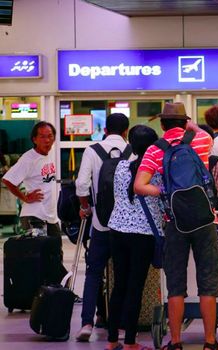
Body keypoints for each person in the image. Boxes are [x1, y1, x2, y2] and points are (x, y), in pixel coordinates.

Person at [134, 102, 218, 350]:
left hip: (174, 221)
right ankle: (210, 342)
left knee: (175, 283)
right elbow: (199, 130)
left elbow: (139, 186)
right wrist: (190, 124)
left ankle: (175, 343)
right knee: (208, 282)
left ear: (162, 124)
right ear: (185, 122)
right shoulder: (202, 140)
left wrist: (165, 192)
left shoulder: (155, 149)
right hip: (205, 219)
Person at [74, 113, 130, 342]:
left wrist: (86, 207)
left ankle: (87, 323)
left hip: (100, 223)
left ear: (105, 130)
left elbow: (81, 185)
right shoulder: (131, 151)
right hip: (126, 225)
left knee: (93, 273)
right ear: (126, 131)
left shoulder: (92, 150)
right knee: (123, 274)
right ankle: (122, 325)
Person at [105, 125, 160, 350]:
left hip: (117, 231)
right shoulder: (155, 173)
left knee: (119, 285)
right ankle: (129, 341)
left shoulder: (120, 167)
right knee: (135, 287)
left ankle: (111, 340)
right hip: (143, 234)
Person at [2, 121, 61, 236]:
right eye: (42, 137)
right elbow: (7, 180)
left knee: (55, 252)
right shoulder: (28, 159)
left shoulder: (51, 152)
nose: (47, 140)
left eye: (50, 136)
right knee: (38, 253)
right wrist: (25, 198)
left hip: (51, 217)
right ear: (34, 139)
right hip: (34, 216)